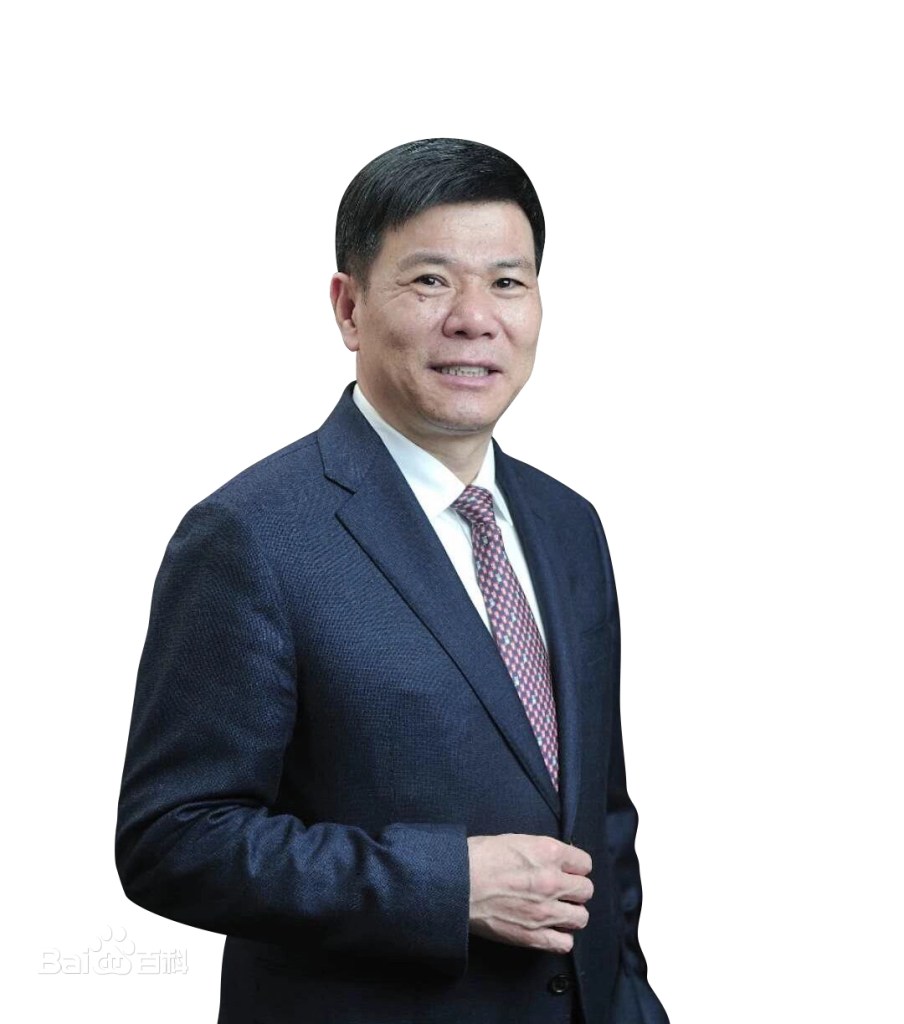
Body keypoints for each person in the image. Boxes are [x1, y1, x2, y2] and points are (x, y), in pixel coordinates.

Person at [115, 137, 670, 1024]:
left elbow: (601, 820)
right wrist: (445, 885)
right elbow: (172, 839)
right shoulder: (251, 535)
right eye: (430, 280)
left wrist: (632, 1003)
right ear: (349, 308)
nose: (474, 318)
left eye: (508, 281)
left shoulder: (571, 525)